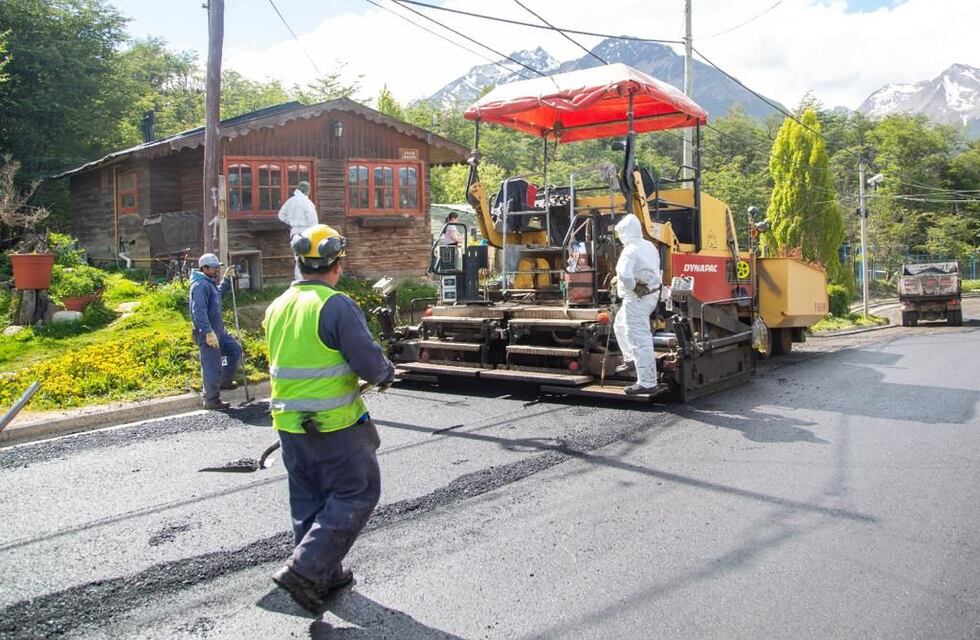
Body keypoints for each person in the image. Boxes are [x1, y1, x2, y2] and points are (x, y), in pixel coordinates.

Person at [264, 223, 395, 615]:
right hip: (335, 426)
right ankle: (304, 572)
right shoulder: (334, 305)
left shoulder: (277, 307)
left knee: (309, 500)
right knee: (356, 493)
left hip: (290, 426)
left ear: (300, 263)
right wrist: (386, 373)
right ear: (337, 264)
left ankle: (325, 573)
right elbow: (369, 361)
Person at [612, 214, 664, 395]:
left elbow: (625, 274)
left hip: (637, 299)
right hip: (651, 294)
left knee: (638, 338)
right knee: (619, 325)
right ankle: (631, 359)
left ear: (625, 232)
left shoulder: (630, 250)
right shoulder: (648, 245)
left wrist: (631, 285)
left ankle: (647, 382)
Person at [189, 253, 242, 410]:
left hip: (219, 331)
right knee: (211, 365)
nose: (216, 271)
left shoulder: (208, 282)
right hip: (208, 333)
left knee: (234, 350)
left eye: (217, 268)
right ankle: (211, 400)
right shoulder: (199, 286)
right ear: (204, 268)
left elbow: (217, 295)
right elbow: (198, 312)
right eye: (213, 268)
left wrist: (226, 280)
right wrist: (207, 332)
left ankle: (224, 381)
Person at [278, 180, 320, 280]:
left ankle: (299, 280)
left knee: (298, 258)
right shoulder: (307, 203)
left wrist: (290, 222)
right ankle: (307, 280)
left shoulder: (291, 201)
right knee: (308, 258)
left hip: (294, 233)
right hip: (306, 233)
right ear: (307, 191)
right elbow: (313, 222)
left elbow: (281, 215)